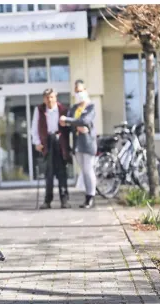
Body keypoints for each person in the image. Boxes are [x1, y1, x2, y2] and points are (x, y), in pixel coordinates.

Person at [31, 88, 71, 209]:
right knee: (49, 173)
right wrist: (37, 142)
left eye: (52, 97)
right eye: (47, 97)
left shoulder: (63, 109)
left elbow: (69, 127)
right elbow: (34, 127)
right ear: (44, 98)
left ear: (56, 97)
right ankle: (47, 201)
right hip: (47, 142)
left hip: (60, 142)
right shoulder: (39, 110)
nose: (49, 100)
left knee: (62, 173)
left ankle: (64, 200)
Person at [60, 80, 97, 208]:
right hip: (77, 145)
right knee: (83, 170)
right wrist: (72, 123)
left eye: (81, 90)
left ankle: (90, 197)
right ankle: (87, 194)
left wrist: (69, 121)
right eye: (76, 91)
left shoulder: (91, 107)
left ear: (85, 90)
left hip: (88, 143)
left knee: (88, 170)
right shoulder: (74, 108)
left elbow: (84, 120)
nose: (79, 93)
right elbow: (71, 124)